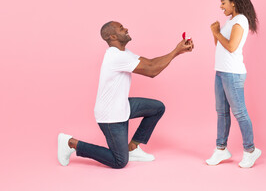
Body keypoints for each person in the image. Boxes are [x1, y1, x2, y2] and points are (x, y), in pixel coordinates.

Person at [58, 21, 194, 169]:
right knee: (120, 161)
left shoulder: (124, 53)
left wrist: (178, 52)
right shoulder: (115, 56)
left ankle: (133, 148)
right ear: (113, 36)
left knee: (157, 108)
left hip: (122, 106)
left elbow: (150, 63)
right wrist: (175, 51)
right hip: (110, 116)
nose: (126, 29)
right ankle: (70, 143)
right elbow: (152, 71)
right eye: (122, 28)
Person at [206, 0, 261, 168]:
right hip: (221, 71)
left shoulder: (241, 20)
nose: (221, 6)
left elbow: (231, 47)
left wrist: (215, 32)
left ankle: (251, 150)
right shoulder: (231, 20)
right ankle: (221, 149)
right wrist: (216, 32)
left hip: (233, 73)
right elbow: (220, 45)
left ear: (233, 2)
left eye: (223, 2)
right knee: (221, 112)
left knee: (239, 112)